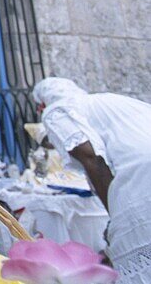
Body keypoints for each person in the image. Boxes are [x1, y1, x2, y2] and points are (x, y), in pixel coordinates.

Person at [34, 77, 151, 283]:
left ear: (41, 105)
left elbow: (91, 158)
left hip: (140, 181)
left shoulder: (56, 111)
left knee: (133, 250)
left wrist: (114, 217)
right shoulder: (107, 102)